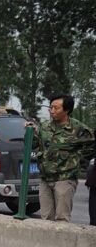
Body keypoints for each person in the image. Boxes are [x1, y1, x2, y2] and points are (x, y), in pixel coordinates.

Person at [24, 94, 95, 222]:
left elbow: (91, 146)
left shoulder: (78, 129)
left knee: (62, 218)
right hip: (45, 179)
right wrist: (32, 131)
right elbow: (33, 144)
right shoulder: (45, 126)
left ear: (66, 110)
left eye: (56, 108)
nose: (52, 111)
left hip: (65, 179)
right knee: (46, 218)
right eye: (50, 108)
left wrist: (78, 163)